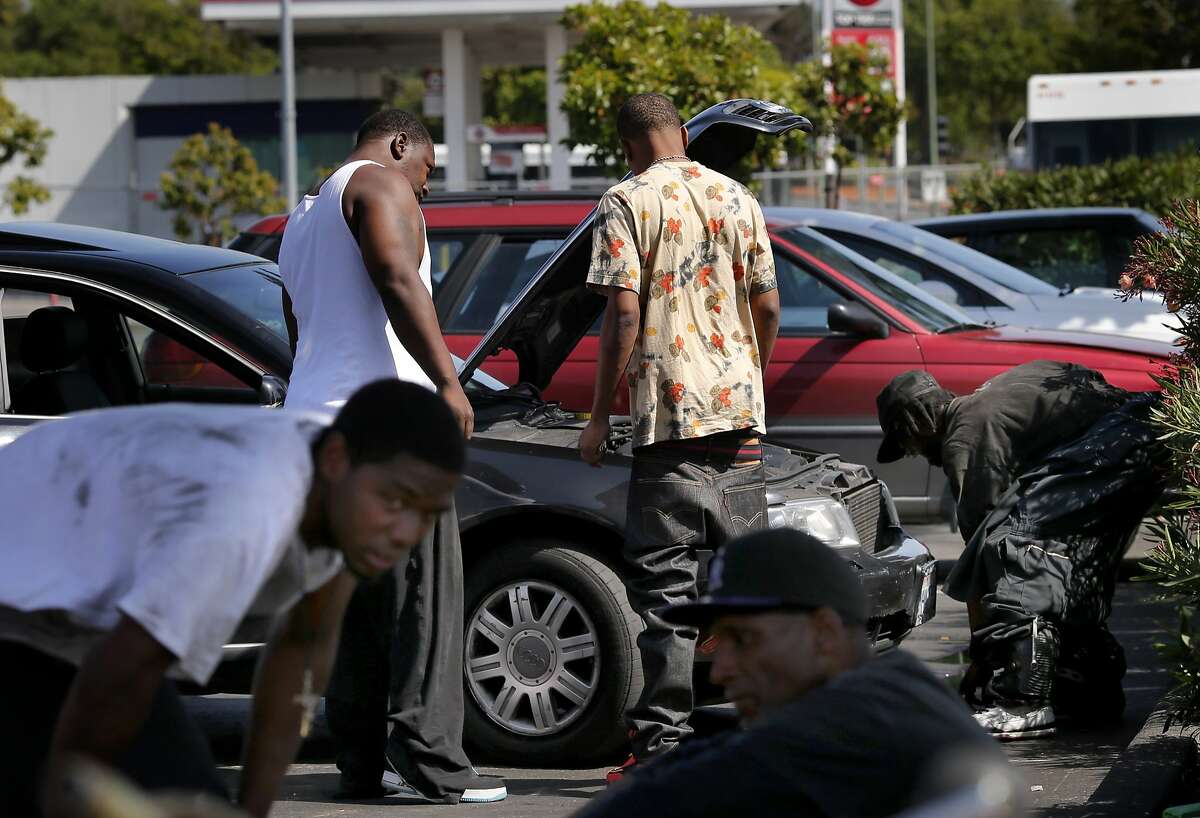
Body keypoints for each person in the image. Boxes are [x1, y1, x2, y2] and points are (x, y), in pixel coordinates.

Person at [0, 379, 465, 818]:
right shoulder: (249, 511)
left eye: (426, 515)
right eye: (396, 501)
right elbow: (120, 669)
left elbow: (301, 654)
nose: (407, 533)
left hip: (80, 617)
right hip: (20, 591)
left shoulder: (342, 504)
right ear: (337, 459)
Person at [277, 108, 504, 803]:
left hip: (318, 425)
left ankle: (362, 762)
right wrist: (446, 381)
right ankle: (433, 766)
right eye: (427, 172)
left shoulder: (301, 214)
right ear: (402, 143)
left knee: (358, 607)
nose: (424, 190)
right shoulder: (379, 181)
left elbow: (296, 322)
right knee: (424, 601)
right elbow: (396, 275)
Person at [577, 93, 781, 780]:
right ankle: (772, 733)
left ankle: (661, 747)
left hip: (668, 426)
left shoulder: (625, 201)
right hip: (738, 422)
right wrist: (750, 371)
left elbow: (624, 317)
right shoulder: (737, 197)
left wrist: (602, 414)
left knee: (667, 597)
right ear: (684, 134)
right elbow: (768, 303)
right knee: (752, 590)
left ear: (629, 144)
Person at [571, 528, 1011, 818]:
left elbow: (666, 799)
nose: (721, 671)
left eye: (744, 640)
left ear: (823, 631)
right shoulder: (896, 688)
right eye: (719, 644)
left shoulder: (859, 720)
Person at [875, 361, 1166, 739]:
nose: (916, 454)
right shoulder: (991, 396)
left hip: (1116, 446)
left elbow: (982, 554)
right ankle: (1091, 693)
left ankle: (1024, 701)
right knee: (1065, 562)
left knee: (1014, 544)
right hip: (1145, 427)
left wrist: (982, 653)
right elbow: (1080, 376)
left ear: (917, 422)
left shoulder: (965, 435)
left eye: (908, 444)